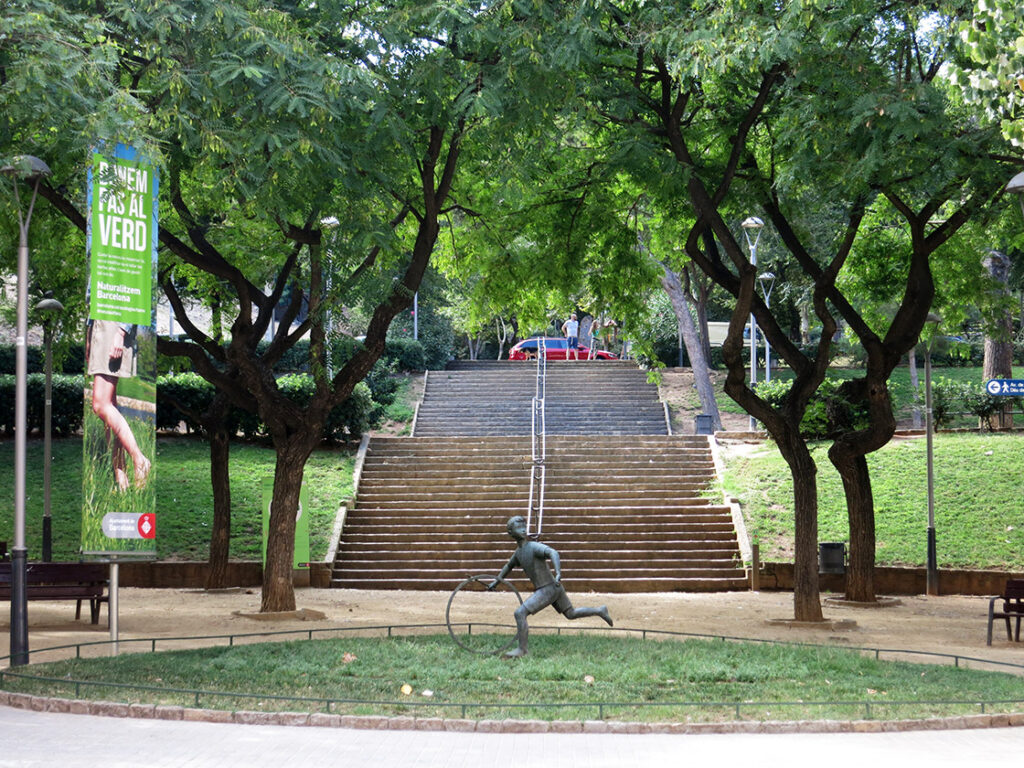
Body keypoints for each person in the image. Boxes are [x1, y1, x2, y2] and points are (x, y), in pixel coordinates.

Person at [489, 515, 613, 658]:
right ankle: (599, 610)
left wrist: (558, 572)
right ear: (511, 533)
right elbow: (508, 566)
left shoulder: (533, 547)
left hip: (548, 588)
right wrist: (495, 582)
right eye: (518, 527)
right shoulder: (519, 553)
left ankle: (522, 650)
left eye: (523, 526)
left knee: (520, 613)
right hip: (554, 588)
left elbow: (553, 552)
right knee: (571, 614)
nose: (523, 529)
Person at [87, 319, 151, 491]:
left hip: (112, 328)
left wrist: (121, 332)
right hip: (99, 329)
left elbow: (130, 296)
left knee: (100, 405)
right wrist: (89, 336)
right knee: (110, 408)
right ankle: (121, 480)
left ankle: (140, 459)